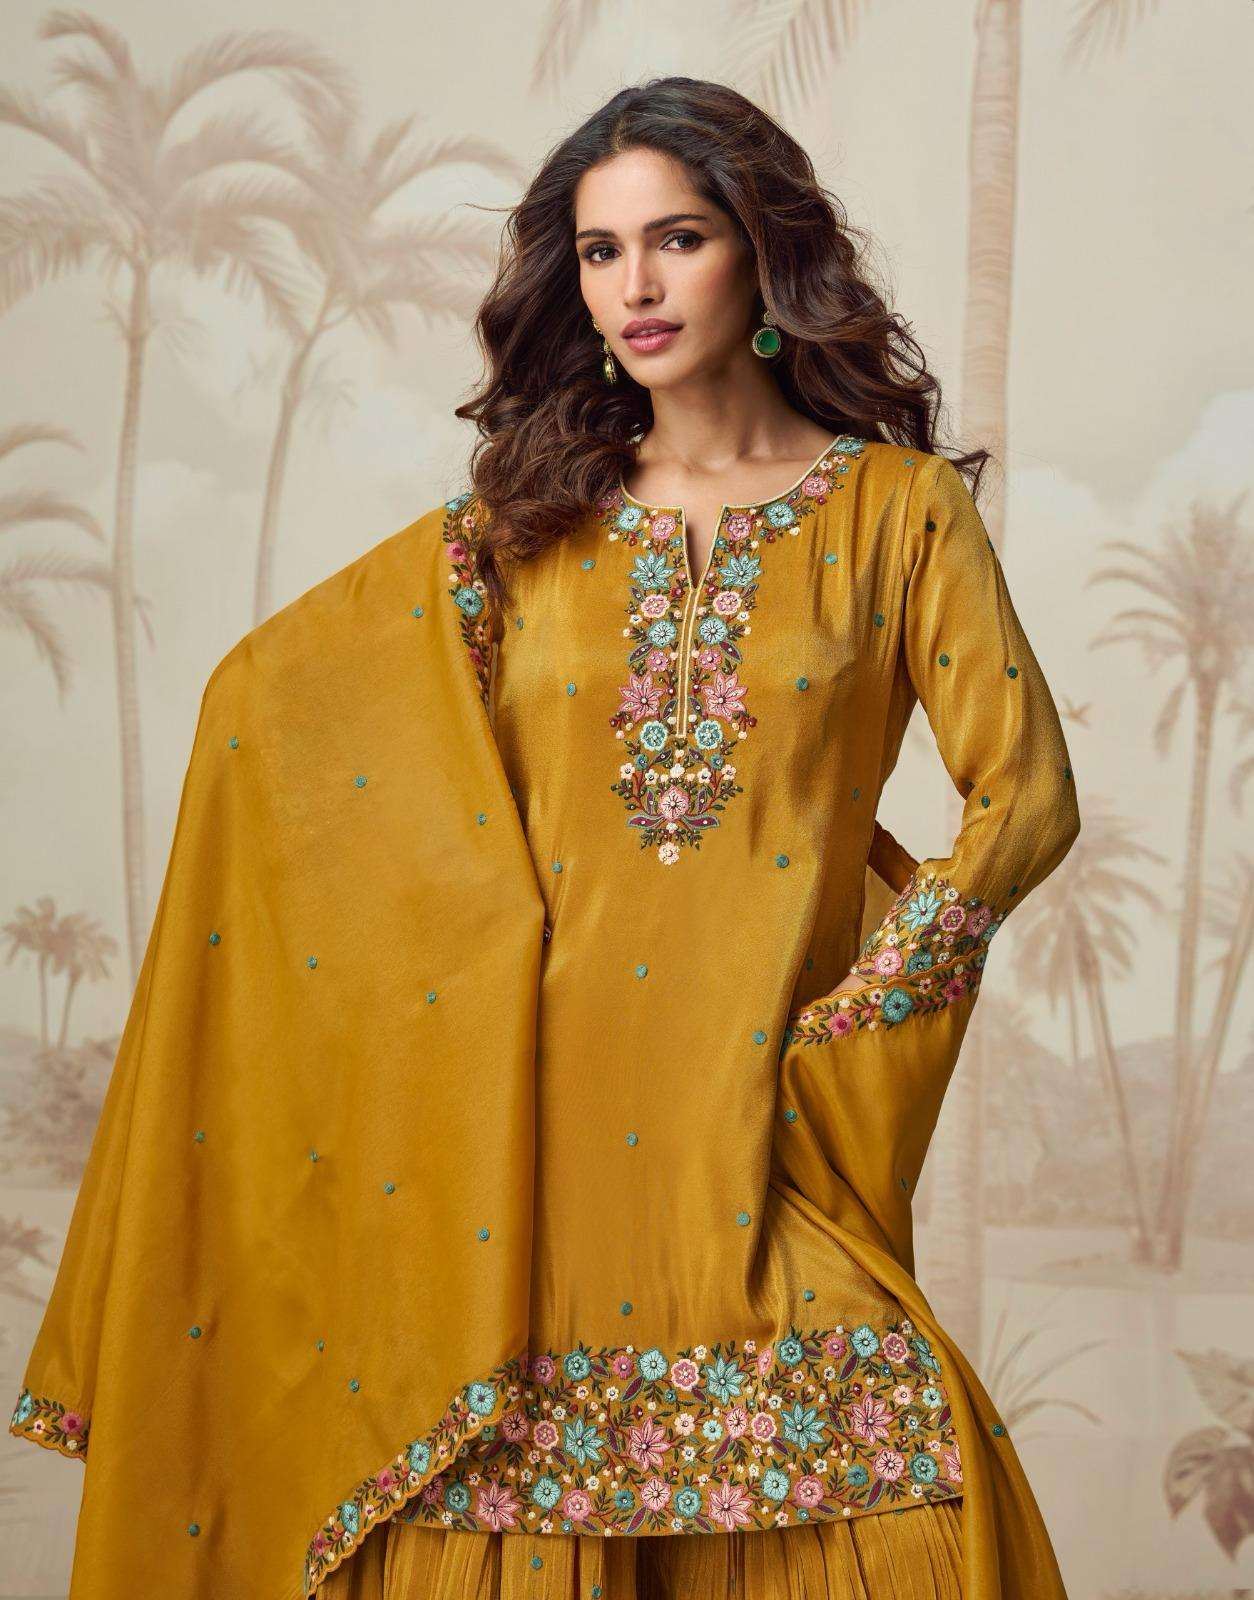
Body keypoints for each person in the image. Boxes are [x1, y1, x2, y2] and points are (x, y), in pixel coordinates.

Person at [9, 77, 1079, 1600]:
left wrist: (865, 1014)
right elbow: (270, 721)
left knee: (897, 1485)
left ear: (763, 251)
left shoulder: (897, 515)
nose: (636, 285)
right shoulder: (511, 533)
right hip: (517, 1144)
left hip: (761, 1112)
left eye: (678, 238)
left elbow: (1024, 795)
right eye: (599, 251)